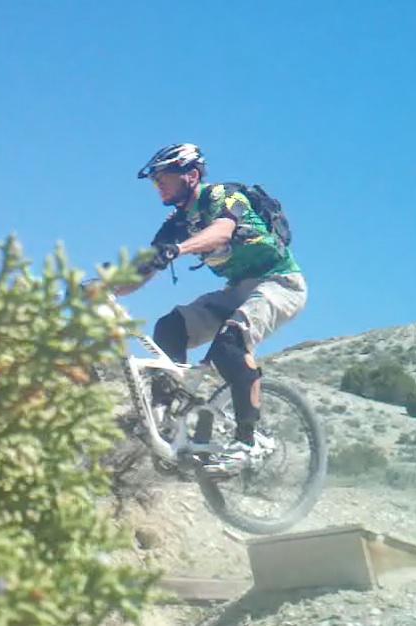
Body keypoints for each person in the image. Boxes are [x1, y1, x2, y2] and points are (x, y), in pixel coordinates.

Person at [115, 143, 307, 474]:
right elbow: (143, 269)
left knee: (230, 343)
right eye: (155, 179)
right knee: (170, 327)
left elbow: (221, 232)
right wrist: (103, 289)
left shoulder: (223, 195)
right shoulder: (175, 223)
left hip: (280, 283)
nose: (158, 184)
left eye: (164, 176)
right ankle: (169, 420)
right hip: (237, 291)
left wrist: (178, 249)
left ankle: (250, 441)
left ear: (190, 175)